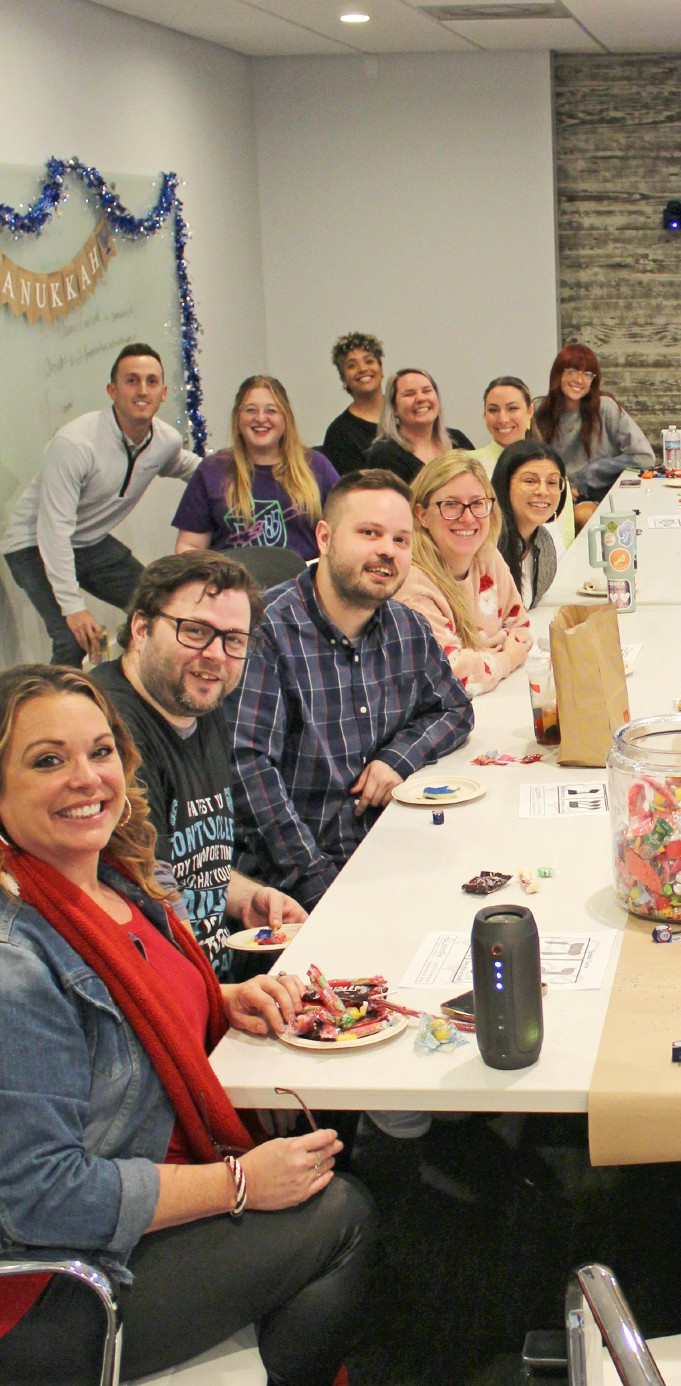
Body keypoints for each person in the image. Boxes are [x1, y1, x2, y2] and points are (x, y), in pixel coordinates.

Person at [0, 664, 374, 1386]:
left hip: (114, 1229)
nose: (86, 778)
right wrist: (239, 1185)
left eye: (99, 751)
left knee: (329, 1191)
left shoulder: (113, 883)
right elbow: (41, 1197)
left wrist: (218, 997)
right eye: (45, 761)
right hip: (45, 1290)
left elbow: (142, 1013)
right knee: (342, 1217)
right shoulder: (16, 963)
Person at [229, 470, 474, 910]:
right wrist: (320, 887)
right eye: (369, 533)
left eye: (401, 540)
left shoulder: (407, 627)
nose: (387, 550)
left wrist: (394, 759)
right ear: (324, 538)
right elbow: (249, 771)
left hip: (390, 851)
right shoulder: (265, 633)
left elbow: (454, 709)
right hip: (295, 884)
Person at [92, 552, 307, 977]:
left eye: (234, 640)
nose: (216, 655)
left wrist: (246, 896)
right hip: (177, 997)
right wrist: (218, 1002)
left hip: (213, 981)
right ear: (140, 628)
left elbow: (188, 860)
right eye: (194, 631)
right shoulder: (108, 733)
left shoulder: (198, 701)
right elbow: (143, 898)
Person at [3, 343, 200, 668]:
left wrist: (237, 477)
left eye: (151, 382)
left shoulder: (164, 441)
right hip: (32, 544)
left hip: (88, 542)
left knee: (158, 607)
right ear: (112, 390)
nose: (142, 390)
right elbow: (53, 533)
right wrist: (73, 608)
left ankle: (138, 691)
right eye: (131, 380)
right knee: (71, 640)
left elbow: (189, 467)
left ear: (164, 392)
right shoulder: (75, 445)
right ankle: (50, 714)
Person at [396, 451, 532, 696]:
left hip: (494, 700)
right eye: (451, 505)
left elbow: (520, 629)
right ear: (422, 515)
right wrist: (506, 659)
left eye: (478, 503)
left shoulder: (487, 556)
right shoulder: (412, 585)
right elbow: (450, 676)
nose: (468, 518)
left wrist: (479, 659)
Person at [172, 375, 337, 561]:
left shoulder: (316, 467)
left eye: (271, 410)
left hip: (303, 584)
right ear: (237, 418)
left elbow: (341, 533)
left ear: (286, 418)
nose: (260, 418)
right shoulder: (211, 471)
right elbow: (190, 545)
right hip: (233, 586)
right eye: (251, 410)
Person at [531, 343, 655, 517]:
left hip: (598, 497)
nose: (579, 380)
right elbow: (530, 462)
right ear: (558, 373)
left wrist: (594, 472)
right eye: (572, 371)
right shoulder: (538, 410)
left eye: (587, 374)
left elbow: (644, 458)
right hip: (551, 495)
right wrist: (559, 486)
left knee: (584, 515)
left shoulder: (605, 409)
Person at [362, 367, 473, 485]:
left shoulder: (458, 439)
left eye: (427, 391)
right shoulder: (384, 454)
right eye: (409, 394)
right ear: (394, 408)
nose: (420, 398)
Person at [493, 440, 566, 609]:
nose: (542, 491)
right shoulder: (486, 543)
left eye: (552, 482)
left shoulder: (544, 541)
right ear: (504, 484)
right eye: (530, 481)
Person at [319, 331, 385, 476]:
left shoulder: (406, 412)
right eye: (351, 366)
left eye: (369, 361)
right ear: (344, 380)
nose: (362, 369)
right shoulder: (339, 433)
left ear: (381, 369)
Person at [470, 375, 535, 477]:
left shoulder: (548, 463)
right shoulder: (467, 464)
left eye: (512, 408)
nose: (502, 419)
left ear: (530, 411)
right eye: (493, 410)